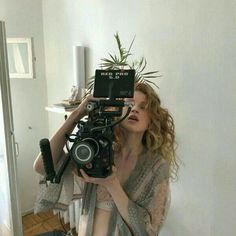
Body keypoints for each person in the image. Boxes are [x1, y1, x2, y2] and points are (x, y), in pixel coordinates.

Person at [33, 82, 178, 236]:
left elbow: (148, 231)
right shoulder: (98, 152)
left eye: (143, 107)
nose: (135, 109)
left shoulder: (156, 167)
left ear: (151, 121)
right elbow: (42, 167)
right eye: (129, 104)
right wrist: (77, 113)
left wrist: (111, 184)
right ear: (116, 112)